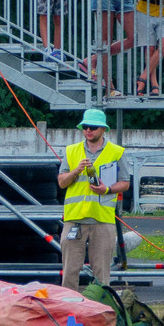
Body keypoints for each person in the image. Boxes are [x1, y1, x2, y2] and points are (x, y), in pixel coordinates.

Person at [57, 108, 129, 292]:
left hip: (102, 220)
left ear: (103, 129)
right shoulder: (71, 151)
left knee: (102, 274)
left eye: (93, 127)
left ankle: (101, 306)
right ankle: (69, 307)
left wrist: (107, 189)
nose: (88, 130)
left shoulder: (116, 152)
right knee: (69, 273)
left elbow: (125, 183)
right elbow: (62, 182)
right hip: (74, 220)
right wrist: (76, 170)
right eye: (85, 127)